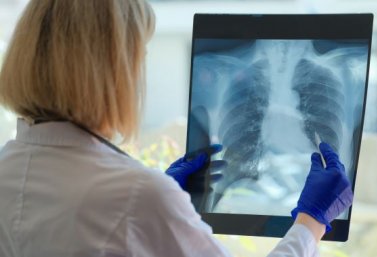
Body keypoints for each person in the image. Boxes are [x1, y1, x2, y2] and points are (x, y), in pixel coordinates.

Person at [0, 0, 353, 256]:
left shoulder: (7, 169)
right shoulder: (136, 195)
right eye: (139, 56)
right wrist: (312, 222)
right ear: (110, 73)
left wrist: (158, 199)